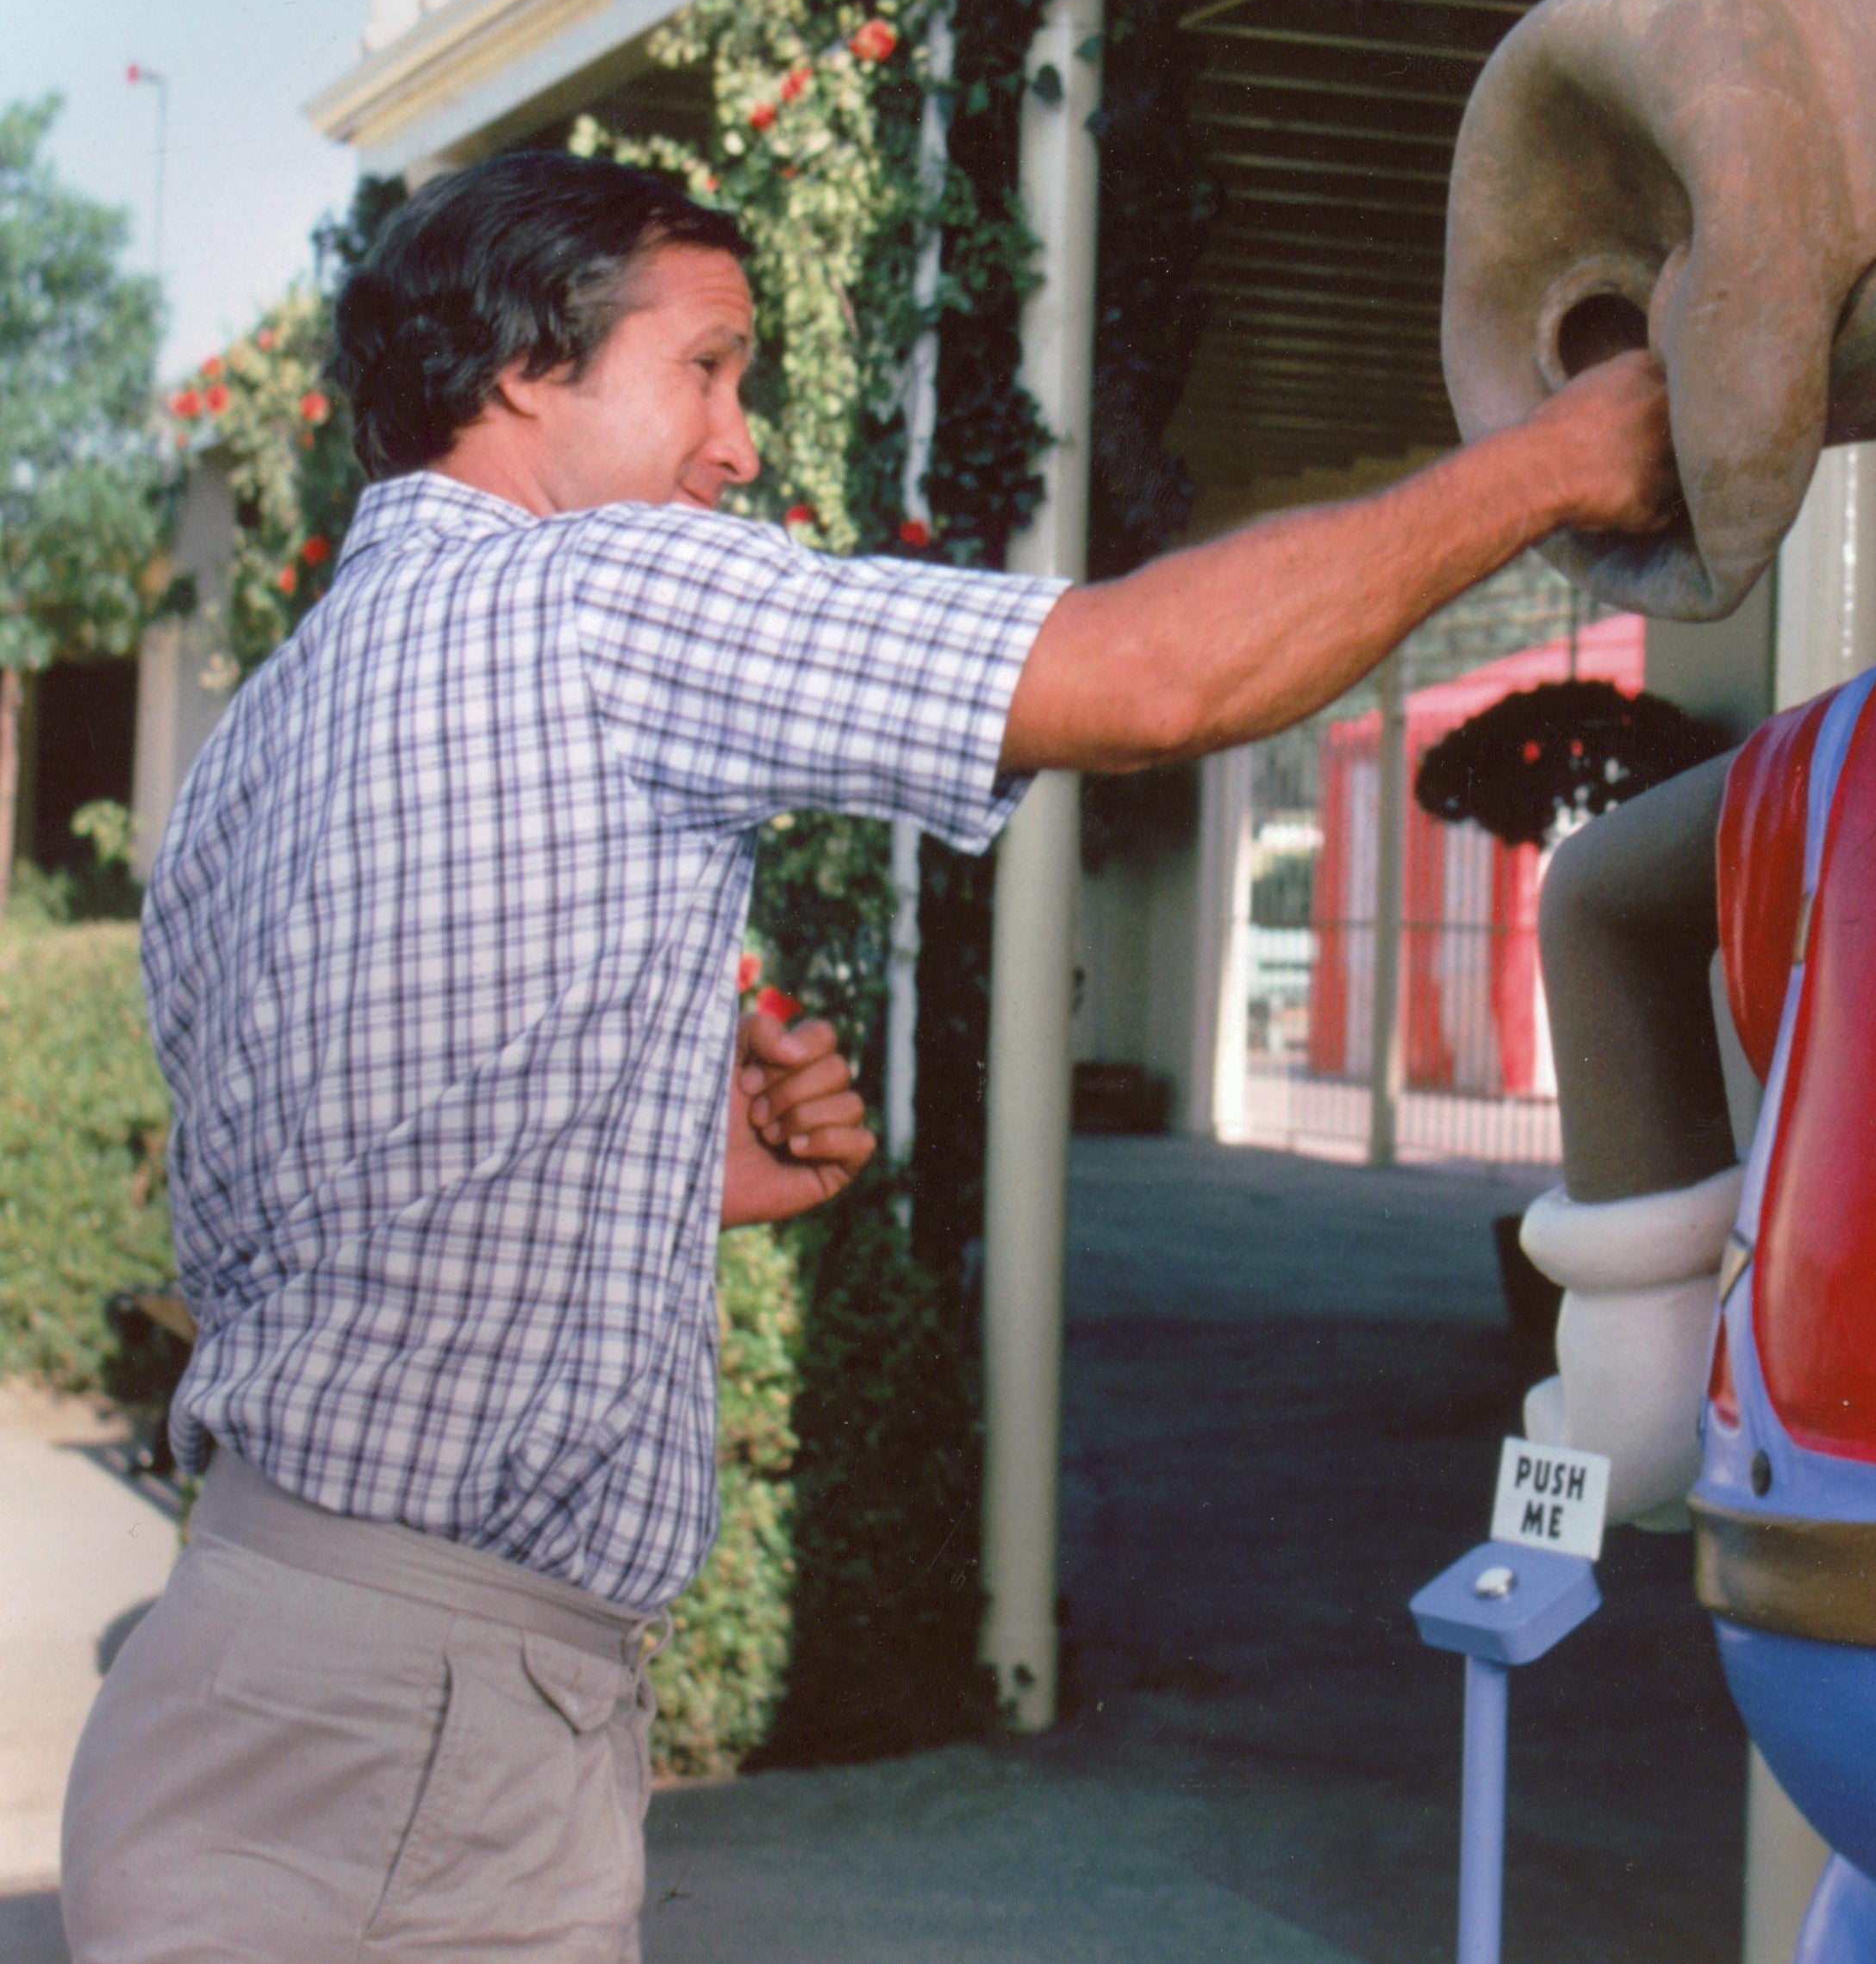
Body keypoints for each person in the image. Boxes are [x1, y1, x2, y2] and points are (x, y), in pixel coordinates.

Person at [61, 150, 1673, 1964]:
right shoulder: (598, 597)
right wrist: (1557, 462)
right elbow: (1153, 674)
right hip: (429, 1737)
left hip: (233, 1661)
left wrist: (660, 1159)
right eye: (709, 366)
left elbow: (324, 1181)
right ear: (522, 370)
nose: (741, 443)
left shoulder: (260, 733)